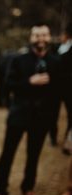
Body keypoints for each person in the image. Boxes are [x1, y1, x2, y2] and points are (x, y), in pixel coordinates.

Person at [0, 23, 60, 195]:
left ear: (49, 37)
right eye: (37, 35)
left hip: (41, 118)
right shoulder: (19, 60)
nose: (41, 38)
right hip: (19, 115)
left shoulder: (55, 62)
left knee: (34, 155)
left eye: (44, 35)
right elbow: (8, 84)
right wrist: (30, 81)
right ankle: (0, 192)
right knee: (8, 154)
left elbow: (58, 91)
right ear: (31, 38)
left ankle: (28, 187)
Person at [49, 23, 72, 151]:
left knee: (71, 115)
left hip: (69, 87)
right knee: (53, 113)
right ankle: (53, 137)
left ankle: (67, 141)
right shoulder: (55, 48)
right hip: (56, 87)